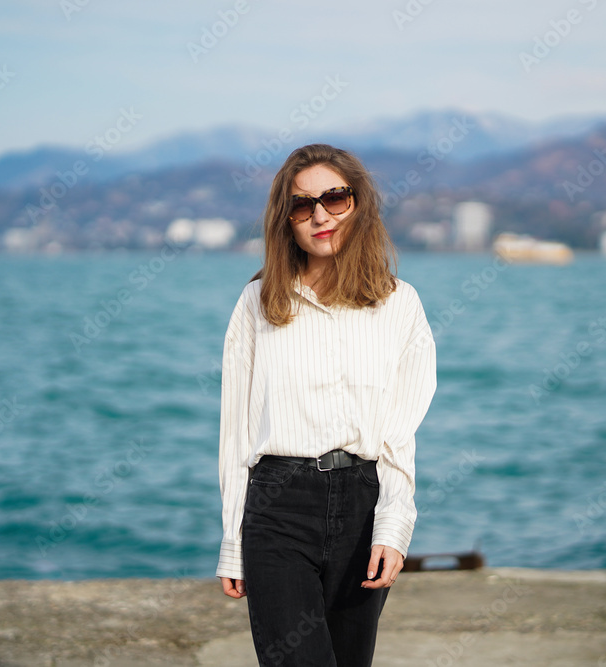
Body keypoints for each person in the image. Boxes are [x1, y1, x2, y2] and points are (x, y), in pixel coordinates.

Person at [216, 143, 437, 666]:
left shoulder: (400, 305)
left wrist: (393, 524)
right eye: (301, 205)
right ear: (285, 220)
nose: (320, 215)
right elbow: (235, 434)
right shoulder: (257, 304)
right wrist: (231, 538)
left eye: (334, 198)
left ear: (359, 205)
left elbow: (399, 433)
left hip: (363, 504)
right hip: (277, 509)